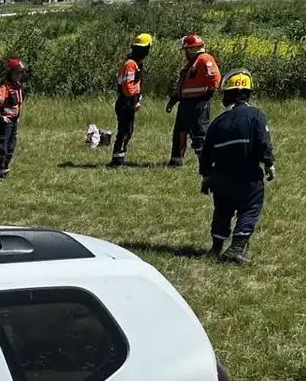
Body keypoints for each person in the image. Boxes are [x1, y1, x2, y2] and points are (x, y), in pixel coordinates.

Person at [200, 70, 275, 266]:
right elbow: (263, 142)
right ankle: (236, 249)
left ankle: (216, 247)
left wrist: (206, 176)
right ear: (247, 93)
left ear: (228, 94)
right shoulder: (256, 115)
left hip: (221, 177)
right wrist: (269, 163)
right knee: (250, 209)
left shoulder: (217, 122)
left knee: (222, 210)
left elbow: (206, 153)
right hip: (248, 177)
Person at [166, 34, 221, 167]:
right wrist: (174, 99)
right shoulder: (193, 63)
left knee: (199, 134)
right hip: (186, 103)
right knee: (180, 132)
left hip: (198, 102)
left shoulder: (205, 59)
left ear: (190, 49)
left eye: (185, 50)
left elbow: (215, 79)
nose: (184, 53)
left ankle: (206, 163)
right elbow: (184, 85)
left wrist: (206, 97)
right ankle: (176, 162)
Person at [110, 33, 154, 167]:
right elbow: (127, 86)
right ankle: (117, 160)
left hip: (128, 102)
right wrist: (133, 100)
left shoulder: (135, 64)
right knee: (124, 131)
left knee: (127, 131)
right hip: (126, 102)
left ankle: (120, 158)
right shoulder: (131, 64)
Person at [0, 59, 25, 179]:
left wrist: (17, 117)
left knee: (10, 147)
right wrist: (0, 117)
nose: (19, 76)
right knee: (1, 147)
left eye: (21, 73)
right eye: (16, 73)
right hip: (4, 123)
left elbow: (18, 105)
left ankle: (4, 168)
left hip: (13, 122)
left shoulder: (18, 87)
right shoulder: (5, 88)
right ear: (10, 74)